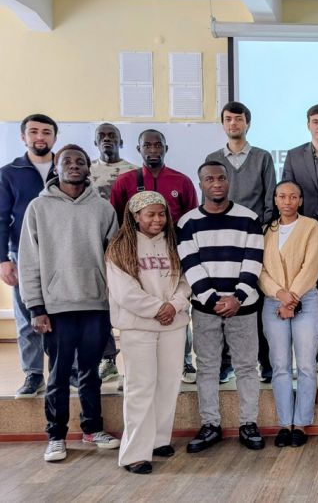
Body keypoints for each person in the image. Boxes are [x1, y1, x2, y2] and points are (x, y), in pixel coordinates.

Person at [18, 144, 121, 462]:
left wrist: (114, 303)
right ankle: (56, 436)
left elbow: (114, 259)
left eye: (80, 161)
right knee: (59, 374)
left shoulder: (103, 208)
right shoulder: (39, 207)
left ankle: (92, 429)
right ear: (56, 167)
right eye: (67, 161)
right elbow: (28, 261)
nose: (74, 165)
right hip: (56, 307)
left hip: (95, 305)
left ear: (89, 168)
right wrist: (36, 307)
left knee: (91, 372)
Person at [178, 161, 265, 453]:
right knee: (207, 367)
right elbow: (190, 265)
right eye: (209, 179)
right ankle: (210, 424)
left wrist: (237, 297)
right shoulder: (187, 222)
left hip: (243, 307)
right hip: (206, 309)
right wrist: (214, 300)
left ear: (228, 182)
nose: (216, 183)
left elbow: (253, 261)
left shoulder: (249, 218)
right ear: (200, 184)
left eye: (221, 178)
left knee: (247, 367)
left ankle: (248, 423)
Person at [107, 191, 191, 474]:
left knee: (168, 384)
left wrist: (174, 305)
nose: (158, 219)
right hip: (139, 326)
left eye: (162, 213)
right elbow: (124, 292)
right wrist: (158, 308)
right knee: (140, 387)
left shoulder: (174, 243)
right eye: (150, 214)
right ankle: (135, 453)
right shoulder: (120, 247)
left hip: (173, 324)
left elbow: (185, 281)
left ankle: (158, 440)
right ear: (135, 216)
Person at [205, 101, 278, 385]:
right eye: (228, 119)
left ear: (248, 123)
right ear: (223, 124)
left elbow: (270, 199)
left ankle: (266, 363)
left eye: (238, 119)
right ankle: (226, 364)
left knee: (256, 302)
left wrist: (259, 232)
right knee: (223, 301)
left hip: (253, 240)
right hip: (221, 243)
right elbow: (208, 198)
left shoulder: (262, 158)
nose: (233, 123)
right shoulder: (213, 157)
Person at [258, 180, 318, 448]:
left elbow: (311, 265)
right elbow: (260, 270)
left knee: (306, 365)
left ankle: (302, 422)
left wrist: (291, 297)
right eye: (282, 196)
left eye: (293, 197)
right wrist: (280, 294)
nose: (287, 201)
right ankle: (286, 423)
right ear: (275, 200)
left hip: (305, 299)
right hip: (273, 302)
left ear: (301, 200)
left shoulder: (311, 226)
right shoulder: (266, 230)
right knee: (280, 366)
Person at [1, 114, 58, 398]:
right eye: (33, 131)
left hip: (63, 253)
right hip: (23, 254)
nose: (40, 137)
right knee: (27, 316)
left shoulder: (68, 166)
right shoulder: (9, 173)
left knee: (64, 314)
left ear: (54, 137)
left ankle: (67, 370)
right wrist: (3, 259)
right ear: (23, 137)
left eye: (46, 132)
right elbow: (1, 219)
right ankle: (33, 374)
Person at [91, 122, 139, 385]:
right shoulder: (85, 171)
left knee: (130, 302)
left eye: (112, 136)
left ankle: (135, 364)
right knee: (101, 305)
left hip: (127, 248)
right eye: (102, 136)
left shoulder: (134, 172)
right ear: (95, 142)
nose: (107, 139)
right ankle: (107, 359)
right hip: (93, 247)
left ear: (121, 142)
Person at [110, 129, 199, 226]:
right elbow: (116, 220)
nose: (153, 150)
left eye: (158, 145)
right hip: (135, 235)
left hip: (175, 235)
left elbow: (193, 217)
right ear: (139, 149)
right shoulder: (124, 181)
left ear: (166, 149)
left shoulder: (183, 181)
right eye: (147, 146)